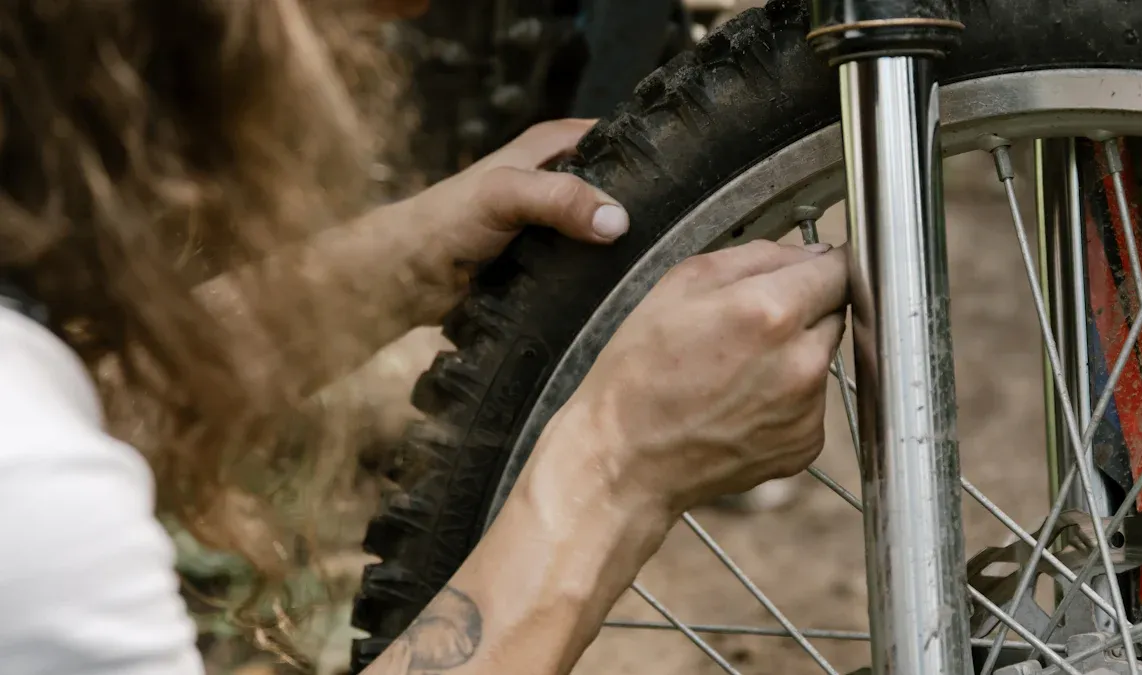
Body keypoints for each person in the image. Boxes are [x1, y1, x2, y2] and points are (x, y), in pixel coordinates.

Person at [0, 1, 849, 675]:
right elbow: (44, 483)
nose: (405, 34)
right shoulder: (47, 511)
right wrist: (616, 465)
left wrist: (385, 271)